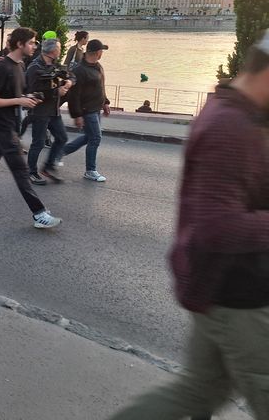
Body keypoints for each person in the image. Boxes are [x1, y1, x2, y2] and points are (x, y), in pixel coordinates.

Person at [108, 31, 269, 419]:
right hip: (238, 293)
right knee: (200, 393)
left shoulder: (239, 114)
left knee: (196, 393)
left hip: (224, 285)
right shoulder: (231, 125)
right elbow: (218, 226)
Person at [0, 27, 63, 229]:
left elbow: (16, 93)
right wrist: (19, 101)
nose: (35, 46)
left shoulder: (20, 65)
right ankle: (39, 214)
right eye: (31, 42)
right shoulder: (2, 67)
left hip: (9, 124)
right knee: (21, 170)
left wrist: (28, 97)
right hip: (2, 125)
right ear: (19, 44)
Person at [25, 38, 72, 185]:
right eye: (59, 48)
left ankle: (48, 167)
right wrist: (56, 92)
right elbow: (32, 92)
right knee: (38, 143)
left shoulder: (54, 64)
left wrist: (69, 81)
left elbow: (70, 75)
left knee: (62, 138)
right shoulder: (34, 68)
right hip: (39, 111)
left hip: (53, 110)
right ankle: (31, 172)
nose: (60, 50)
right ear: (53, 51)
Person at [62, 39, 110, 182]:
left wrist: (105, 103)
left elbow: (101, 87)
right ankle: (90, 170)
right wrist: (77, 115)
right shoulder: (79, 70)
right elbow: (74, 96)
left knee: (89, 137)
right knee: (95, 137)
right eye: (102, 51)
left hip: (96, 108)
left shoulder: (98, 66)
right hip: (87, 110)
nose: (102, 53)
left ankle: (59, 152)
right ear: (97, 52)